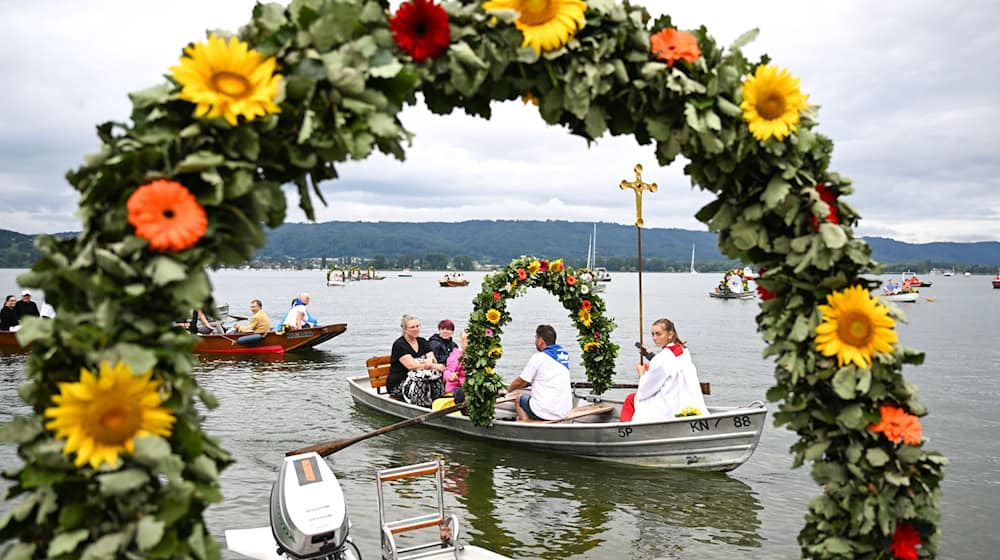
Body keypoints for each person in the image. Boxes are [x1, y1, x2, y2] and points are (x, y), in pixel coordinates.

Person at [620, 318, 707, 422]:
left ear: (670, 334)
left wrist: (642, 374)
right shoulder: (683, 351)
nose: (654, 338)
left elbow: (646, 389)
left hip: (668, 406)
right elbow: (669, 364)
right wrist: (650, 355)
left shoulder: (661, 359)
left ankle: (625, 429)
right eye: (653, 334)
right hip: (685, 400)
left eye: (658, 334)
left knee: (631, 399)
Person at [505, 324, 572, 421]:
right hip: (564, 412)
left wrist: (509, 389)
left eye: (536, 337)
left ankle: (526, 423)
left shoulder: (538, 357)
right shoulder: (564, 356)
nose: (535, 341)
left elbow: (521, 381)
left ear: (541, 341)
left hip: (544, 412)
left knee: (518, 399)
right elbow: (533, 380)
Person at [388, 314, 446, 399]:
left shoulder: (422, 341)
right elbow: (412, 366)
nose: (416, 329)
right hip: (400, 382)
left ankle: (438, 403)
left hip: (423, 376)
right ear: (405, 329)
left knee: (436, 379)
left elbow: (433, 360)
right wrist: (430, 364)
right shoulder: (399, 345)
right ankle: (419, 407)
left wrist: (424, 363)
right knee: (419, 382)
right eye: (412, 327)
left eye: (417, 326)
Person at [443, 329, 468, 394]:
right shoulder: (456, 355)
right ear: (461, 342)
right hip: (455, 389)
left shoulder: (478, 356)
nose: (469, 343)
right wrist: (450, 376)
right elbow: (446, 372)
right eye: (466, 340)